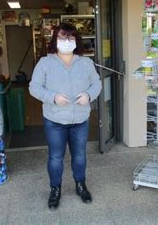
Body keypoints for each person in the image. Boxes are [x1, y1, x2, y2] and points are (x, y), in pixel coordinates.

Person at [29, 23, 102, 211]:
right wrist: (52, 97)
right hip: (55, 120)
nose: (66, 41)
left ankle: (80, 185)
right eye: (62, 37)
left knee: (79, 155)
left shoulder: (86, 63)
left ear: (76, 41)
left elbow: (97, 84)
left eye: (70, 38)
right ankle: (55, 189)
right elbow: (34, 87)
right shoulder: (45, 63)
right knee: (55, 157)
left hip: (80, 120)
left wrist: (88, 95)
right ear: (55, 40)